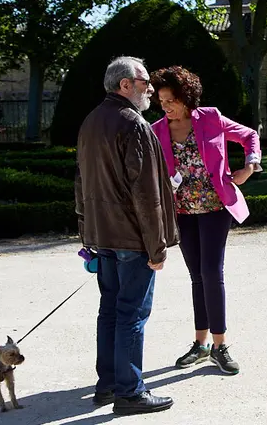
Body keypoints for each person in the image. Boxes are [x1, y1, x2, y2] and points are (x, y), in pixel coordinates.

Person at [75, 56, 178, 415]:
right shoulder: (133, 124)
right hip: (131, 239)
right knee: (131, 314)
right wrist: (158, 247)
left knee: (110, 312)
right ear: (124, 85)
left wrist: (86, 231)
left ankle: (107, 385)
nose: (150, 88)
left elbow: (80, 184)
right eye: (144, 82)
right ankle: (130, 392)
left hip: (102, 235)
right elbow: (146, 195)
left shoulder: (90, 121)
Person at [150, 65, 262, 375]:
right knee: (197, 276)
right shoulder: (157, 130)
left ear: (186, 97)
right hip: (182, 212)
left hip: (215, 207)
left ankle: (220, 345)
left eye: (171, 99)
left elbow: (249, 136)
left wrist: (250, 167)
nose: (166, 106)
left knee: (212, 272)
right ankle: (200, 345)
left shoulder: (211, 118)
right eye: (161, 101)